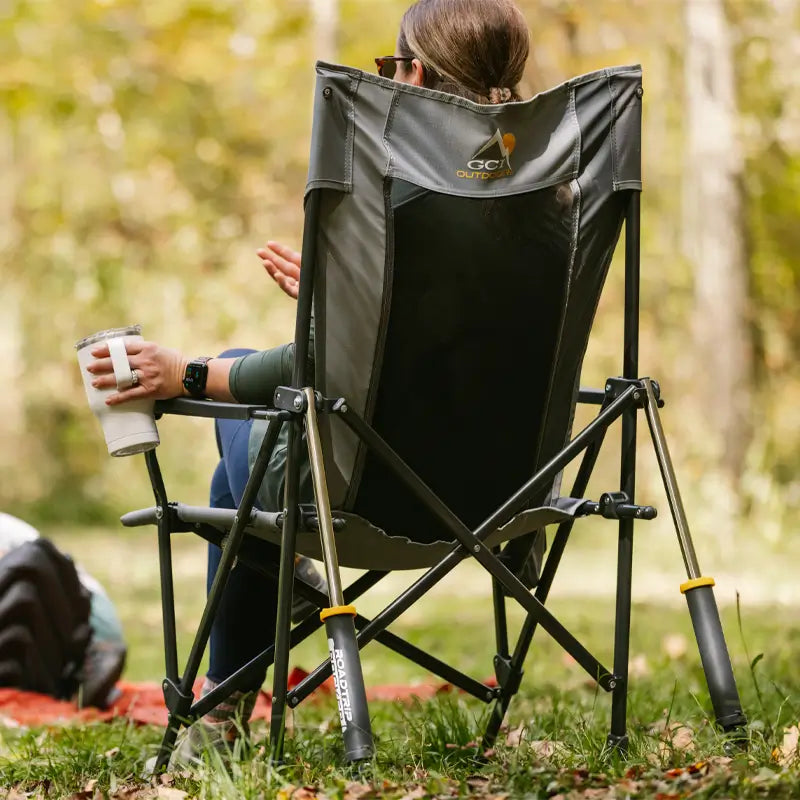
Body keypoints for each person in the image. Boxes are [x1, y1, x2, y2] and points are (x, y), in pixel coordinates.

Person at [87, 0, 530, 764]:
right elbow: (453, 349)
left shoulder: (394, 194)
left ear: (413, 75)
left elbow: (310, 371)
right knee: (265, 438)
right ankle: (243, 659)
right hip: (507, 494)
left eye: (392, 68)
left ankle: (227, 702)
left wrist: (182, 372)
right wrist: (347, 303)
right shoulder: (546, 194)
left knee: (250, 442)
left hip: (359, 498)